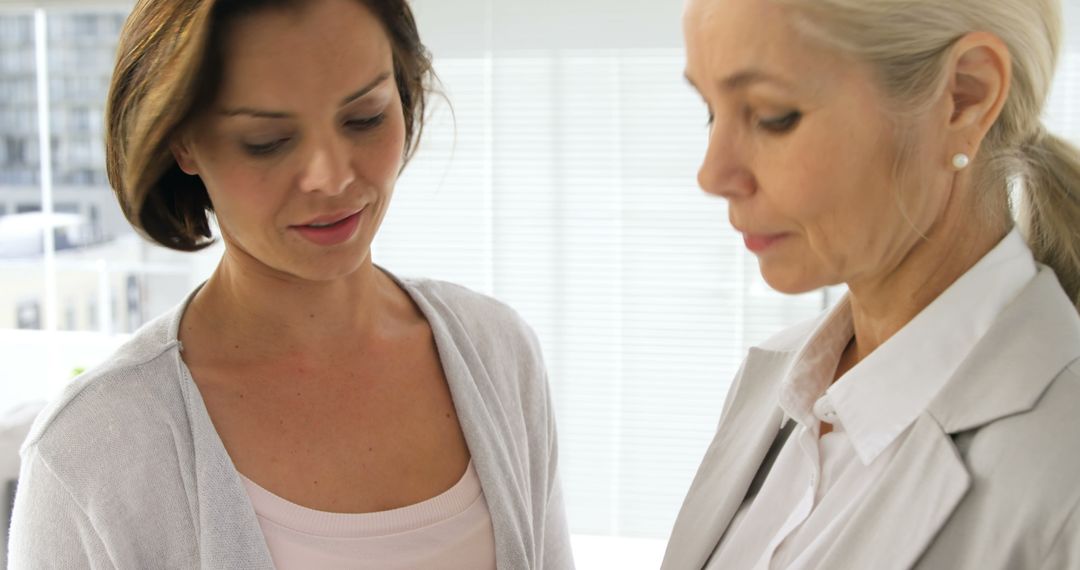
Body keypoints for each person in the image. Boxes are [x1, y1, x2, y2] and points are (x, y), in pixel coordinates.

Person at [7, 0, 573, 568]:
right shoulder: (88, 452)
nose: (331, 177)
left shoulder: (499, 353)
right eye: (267, 140)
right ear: (183, 142)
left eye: (365, 117)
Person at [665, 0, 1080, 568]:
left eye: (772, 115)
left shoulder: (1065, 464)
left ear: (965, 94)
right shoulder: (769, 383)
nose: (712, 175)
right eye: (712, 111)